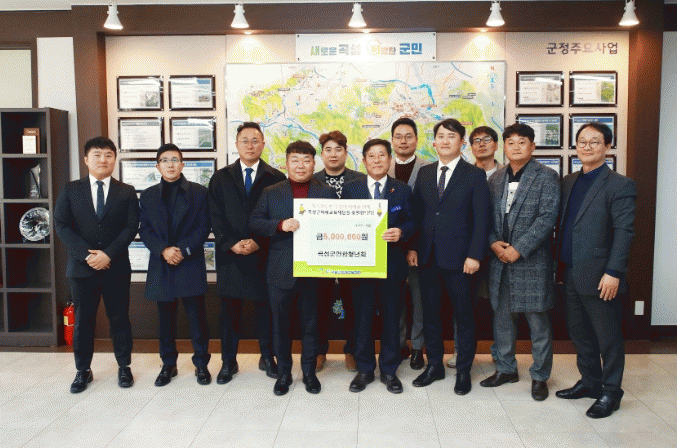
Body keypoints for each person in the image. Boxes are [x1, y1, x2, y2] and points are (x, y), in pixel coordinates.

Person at [555, 122, 636, 419]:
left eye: (594, 142)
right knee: (580, 334)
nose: (587, 147)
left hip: (602, 274)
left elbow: (624, 231)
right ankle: (590, 382)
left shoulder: (620, 184)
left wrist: (614, 272)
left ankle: (611, 392)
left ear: (607, 146)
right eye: (582, 142)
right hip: (570, 271)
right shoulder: (569, 181)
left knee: (608, 338)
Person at [408, 118, 490, 395]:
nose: (445, 141)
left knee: (464, 316)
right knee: (431, 315)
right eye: (441, 136)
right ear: (434, 142)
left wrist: (475, 255)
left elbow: (482, 220)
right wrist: (413, 248)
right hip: (428, 257)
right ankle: (435, 365)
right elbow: (417, 214)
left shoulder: (474, 174)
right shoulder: (425, 173)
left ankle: (464, 370)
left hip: (461, 260)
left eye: (451, 136)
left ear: (462, 143)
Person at [250, 140, 337, 396]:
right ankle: (284, 374)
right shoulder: (271, 192)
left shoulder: (326, 192)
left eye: (306, 160)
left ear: (314, 163)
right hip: (280, 270)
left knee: (312, 325)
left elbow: (337, 226)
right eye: (295, 160)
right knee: (281, 326)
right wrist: (279, 225)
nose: (301, 165)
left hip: (314, 270)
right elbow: (255, 222)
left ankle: (309, 373)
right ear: (286, 164)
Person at [480, 123, 559, 401]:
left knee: (538, 322)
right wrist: (493, 243)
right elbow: (485, 217)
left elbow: (547, 218)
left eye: (522, 142)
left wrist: (519, 249)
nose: (515, 147)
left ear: (532, 146)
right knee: (502, 319)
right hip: (499, 260)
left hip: (532, 261)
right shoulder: (495, 178)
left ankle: (540, 376)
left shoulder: (547, 176)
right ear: (504, 147)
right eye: (510, 142)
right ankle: (506, 369)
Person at [54, 137, 139, 393]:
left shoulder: (126, 191)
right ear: (86, 159)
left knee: (120, 319)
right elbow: (61, 225)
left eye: (108, 155)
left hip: (116, 267)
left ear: (115, 159)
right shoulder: (71, 189)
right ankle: (83, 370)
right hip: (82, 269)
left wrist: (108, 254)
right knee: (83, 321)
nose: (103, 159)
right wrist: (86, 255)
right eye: (97, 154)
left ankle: (124, 366)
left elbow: (131, 227)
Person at [208, 122, 286, 384]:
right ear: (237, 144)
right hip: (230, 257)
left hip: (263, 256)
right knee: (229, 314)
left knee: (266, 311)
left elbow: (278, 217)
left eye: (255, 141)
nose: (250, 145)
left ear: (263, 144)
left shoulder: (276, 178)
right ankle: (228, 362)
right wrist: (230, 243)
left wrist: (258, 242)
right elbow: (214, 216)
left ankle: (268, 358)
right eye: (245, 140)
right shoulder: (221, 177)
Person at [343, 139, 414, 394]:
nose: (376, 160)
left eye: (381, 155)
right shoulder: (351, 189)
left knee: (391, 320)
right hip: (360, 267)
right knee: (361, 320)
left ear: (389, 159)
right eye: (371, 156)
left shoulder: (402, 189)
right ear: (363, 161)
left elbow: (412, 222)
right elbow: (341, 223)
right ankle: (364, 369)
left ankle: (389, 370)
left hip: (392, 265)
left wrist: (401, 232)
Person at [138, 144, 212, 386]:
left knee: (197, 318)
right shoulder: (148, 195)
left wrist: (182, 250)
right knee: (165, 320)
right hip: (162, 263)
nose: (170, 164)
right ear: (157, 166)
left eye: (174, 160)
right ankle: (168, 364)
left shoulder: (199, 192)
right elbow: (145, 229)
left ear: (182, 164)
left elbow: (204, 226)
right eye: (164, 160)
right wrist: (163, 250)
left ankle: (201, 364)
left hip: (189, 261)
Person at [313, 130, 365, 372]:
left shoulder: (360, 180)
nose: (333, 154)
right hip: (320, 253)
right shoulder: (312, 180)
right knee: (318, 304)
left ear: (346, 152)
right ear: (322, 154)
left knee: (352, 304)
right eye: (328, 150)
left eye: (338, 149)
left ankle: (351, 350)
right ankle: (319, 350)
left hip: (352, 253)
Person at [388, 117, 429, 370]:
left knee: (419, 298)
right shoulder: (382, 165)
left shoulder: (429, 169)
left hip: (419, 247)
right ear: (392, 140)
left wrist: (413, 245)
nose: (403, 141)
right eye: (398, 136)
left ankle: (417, 347)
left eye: (408, 136)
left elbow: (426, 213)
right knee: (395, 299)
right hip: (390, 247)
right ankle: (398, 343)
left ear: (416, 140)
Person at [467, 125, 503, 367]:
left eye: (486, 139)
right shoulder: (464, 174)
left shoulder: (508, 174)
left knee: (499, 306)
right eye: (476, 140)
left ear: (496, 145)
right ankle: (463, 352)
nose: (481, 144)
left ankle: (500, 354)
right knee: (465, 305)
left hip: (501, 251)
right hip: (470, 251)